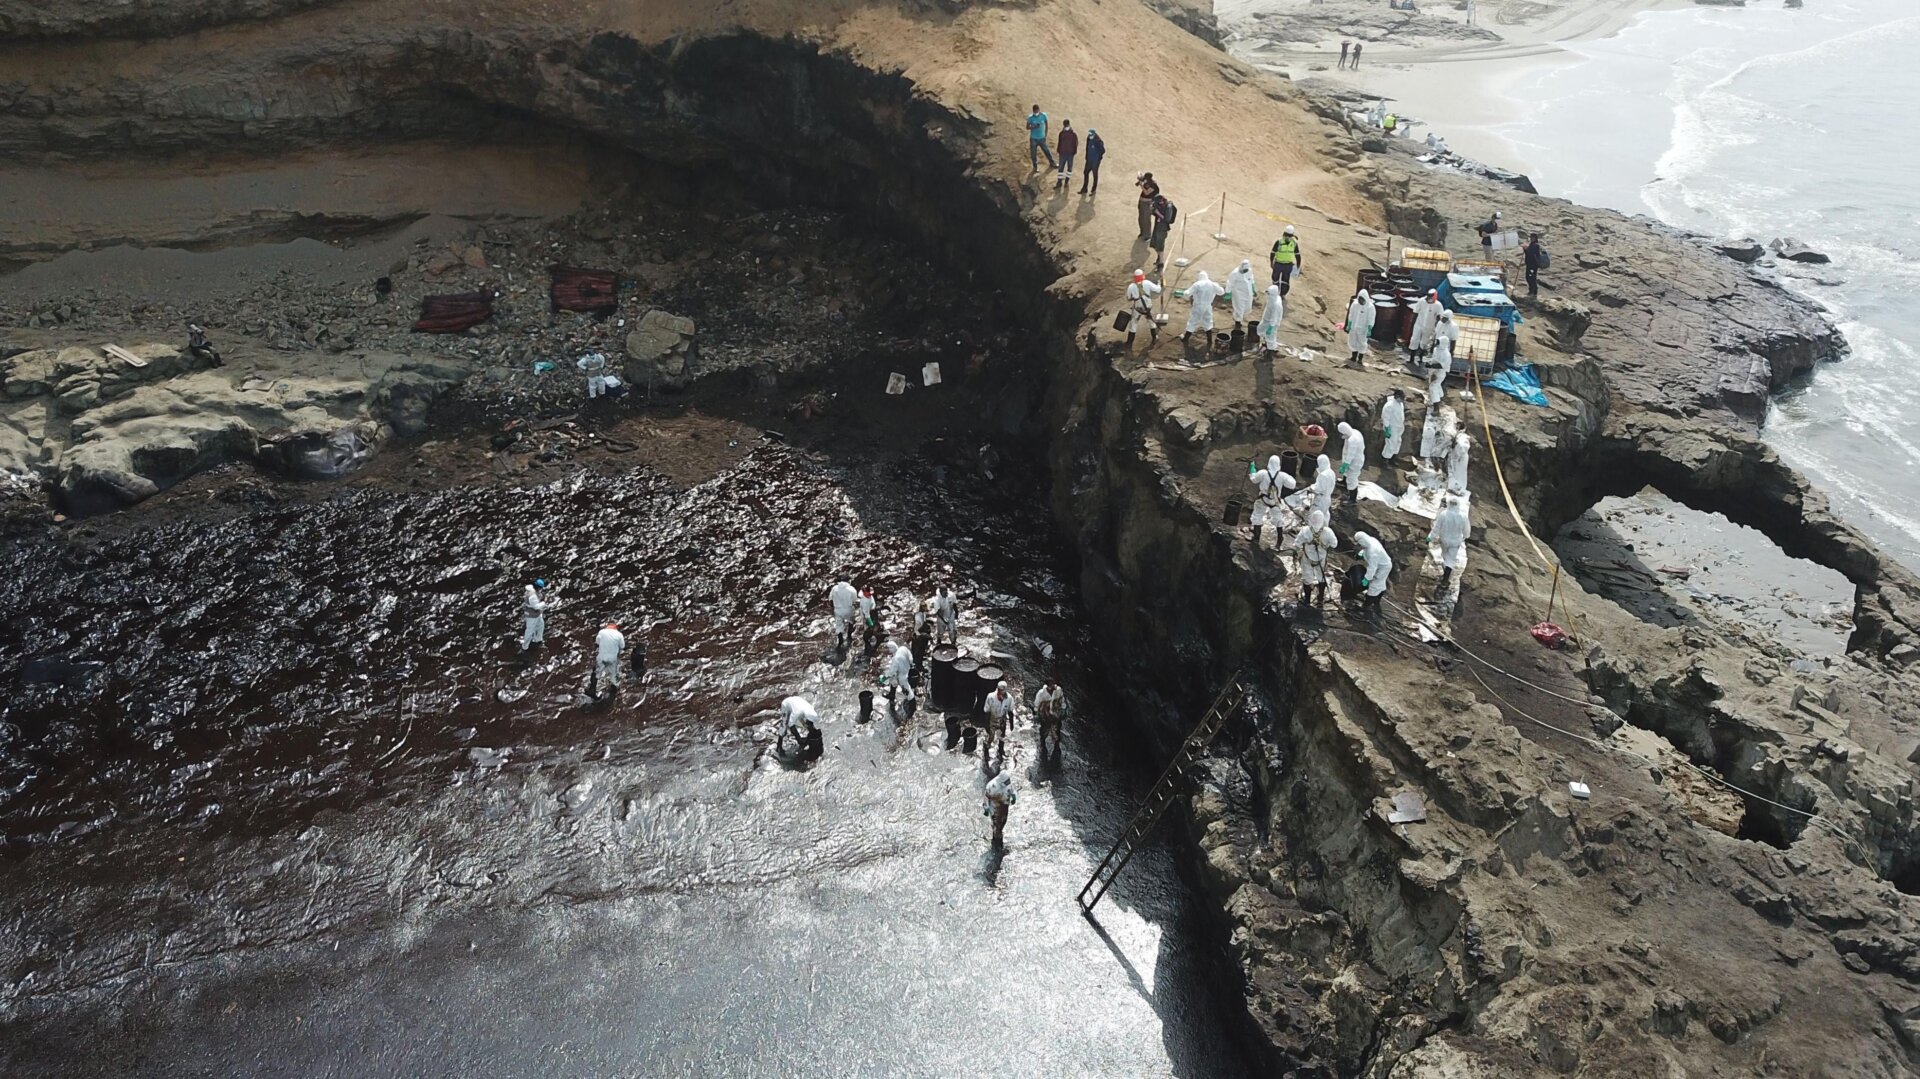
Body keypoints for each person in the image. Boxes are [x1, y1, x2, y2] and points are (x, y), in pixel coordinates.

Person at [1291, 509, 1338, 608]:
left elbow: (1297, 544)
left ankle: (1307, 600)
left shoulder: (1305, 530)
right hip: (1321, 559)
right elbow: (1334, 545)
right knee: (1321, 578)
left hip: (1308, 559)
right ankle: (1320, 599)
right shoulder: (1328, 532)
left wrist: (1300, 549)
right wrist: (1325, 544)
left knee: (1307, 579)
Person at [1250, 453, 1296, 546]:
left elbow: (1254, 479)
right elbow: (1292, 485)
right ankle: (1280, 538)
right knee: (1278, 518)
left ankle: (1256, 538)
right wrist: (1288, 477)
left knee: (1257, 516)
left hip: (1263, 499)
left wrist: (1252, 468)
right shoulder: (1282, 475)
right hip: (1275, 500)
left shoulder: (1263, 473)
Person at [1430, 494, 1470, 595]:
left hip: (1444, 539)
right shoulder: (1463, 516)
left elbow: (1437, 527)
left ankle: (1445, 576)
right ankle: (1446, 578)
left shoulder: (1444, 514)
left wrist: (1430, 537)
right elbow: (1466, 530)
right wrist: (1466, 536)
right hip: (1456, 541)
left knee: (1445, 555)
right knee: (1451, 559)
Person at [1351, 532, 1393, 618]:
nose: (1358, 545)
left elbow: (1372, 568)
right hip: (1382, 563)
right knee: (1380, 583)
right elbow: (1365, 549)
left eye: (1359, 544)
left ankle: (1367, 605)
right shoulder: (1371, 541)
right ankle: (1377, 600)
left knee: (1375, 585)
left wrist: (1366, 579)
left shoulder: (1373, 552)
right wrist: (1361, 554)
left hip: (1383, 567)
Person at [1180, 270, 1225, 343]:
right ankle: (1209, 341)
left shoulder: (1197, 284)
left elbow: (1187, 293)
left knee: (1193, 322)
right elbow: (1221, 292)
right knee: (1208, 322)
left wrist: (1184, 292)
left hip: (1198, 306)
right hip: (1208, 306)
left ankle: (1185, 339)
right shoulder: (1213, 284)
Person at [981, 681, 1017, 767]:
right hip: (992, 720)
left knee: (1002, 736)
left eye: (1003, 691)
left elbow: (1010, 711)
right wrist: (986, 725)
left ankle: (1001, 750)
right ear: (997, 689)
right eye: (1000, 690)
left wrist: (1011, 723)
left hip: (1002, 720)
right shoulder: (990, 697)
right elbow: (986, 711)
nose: (1002, 692)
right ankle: (986, 751)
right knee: (990, 737)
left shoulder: (1009, 698)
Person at [777, 695, 824, 762]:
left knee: (805, 725)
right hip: (787, 704)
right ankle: (779, 747)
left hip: (798, 702)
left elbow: (809, 724)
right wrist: (798, 738)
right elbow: (791, 725)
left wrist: (812, 732)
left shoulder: (810, 710)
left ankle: (802, 741)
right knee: (785, 724)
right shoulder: (797, 712)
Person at [1125, 268, 1162, 347]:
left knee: (1133, 325)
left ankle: (1129, 343)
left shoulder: (1131, 286)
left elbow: (1128, 298)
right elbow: (1158, 290)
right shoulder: (1147, 283)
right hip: (1148, 307)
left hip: (1137, 308)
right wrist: (1159, 283)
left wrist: (1135, 297)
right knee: (1151, 323)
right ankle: (1154, 337)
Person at [1033, 680, 1066, 759]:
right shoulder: (1041, 693)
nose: (1054, 686)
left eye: (1054, 684)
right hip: (1045, 715)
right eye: (1051, 685)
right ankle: (1043, 742)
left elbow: (1062, 699)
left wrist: (1063, 708)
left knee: (1057, 729)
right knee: (1044, 729)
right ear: (1048, 685)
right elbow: (1037, 703)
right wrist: (1036, 712)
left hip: (1055, 714)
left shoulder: (1058, 690)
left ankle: (1056, 744)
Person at [983, 769, 1016, 848]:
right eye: (1006, 782)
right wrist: (986, 808)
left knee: (1003, 821)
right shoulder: (991, 786)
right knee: (996, 824)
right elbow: (986, 798)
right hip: (995, 808)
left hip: (1005, 805)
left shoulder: (1007, 783)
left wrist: (1014, 796)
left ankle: (998, 833)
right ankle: (996, 840)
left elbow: (1011, 789)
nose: (1008, 783)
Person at [593, 621, 626, 697]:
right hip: (612, 659)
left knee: (596, 674)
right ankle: (614, 691)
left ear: (607, 626)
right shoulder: (619, 634)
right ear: (615, 627)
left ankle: (592, 689)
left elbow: (597, 642)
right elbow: (622, 646)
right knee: (613, 675)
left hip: (601, 657)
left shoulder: (602, 632)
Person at [1344, 289, 1375, 367]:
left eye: (1362, 300)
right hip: (1354, 328)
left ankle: (1360, 359)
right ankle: (1354, 357)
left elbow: (1371, 319)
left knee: (1362, 343)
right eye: (1360, 299)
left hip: (1363, 330)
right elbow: (1351, 315)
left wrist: (1369, 329)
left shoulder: (1370, 307)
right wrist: (1349, 325)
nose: (1361, 302)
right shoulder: (1355, 304)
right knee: (1352, 341)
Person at [1408, 290, 1442, 359]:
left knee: (1424, 342)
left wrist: (1437, 328)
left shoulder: (1438, 305)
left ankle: (1420, 358)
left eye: (1431, 298)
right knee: (1414, 340)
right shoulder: (1421, 301)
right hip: (1418, 324)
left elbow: (1439, 317)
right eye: (1429, 297)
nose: (1429, 299)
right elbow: (1415, 312)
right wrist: (1412, 324)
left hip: (1429, 327)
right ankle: (1411, 358)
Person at [884, 641, 915, 715]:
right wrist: (910, 664)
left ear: (892, 648)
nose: (889, 651)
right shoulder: (903, 648)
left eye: (889, 649)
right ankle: (892, 695)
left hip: (902, 676)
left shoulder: (896, 659)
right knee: (893, 682)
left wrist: (885, 676)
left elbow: (892, 671)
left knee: (907, 690)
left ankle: (912, 705)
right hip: (907, 670)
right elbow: (910, 658)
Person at [1269, 225, 1303, 293]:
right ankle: (1275, 292)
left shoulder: (1294, 243)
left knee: (1285, 281)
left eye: (1289, 236)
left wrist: (1298, 266)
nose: (1287, 237)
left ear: (1292, 236)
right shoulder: (1279, 242)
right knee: (1275, 279)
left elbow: (1297, 255)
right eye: (1286, 235)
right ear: (1284, 234)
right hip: (1278, 263)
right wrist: (1271, 262)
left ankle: (1282, 294)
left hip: (1288, 265)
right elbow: (1272, 253)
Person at [1226, 259, 1257, 333]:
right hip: (1238, 294)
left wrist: (1253, 288)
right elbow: (1230, 283)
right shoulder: (1234, 273)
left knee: (1247, 307)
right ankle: (1238, 322)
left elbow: (1251, 279)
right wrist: (1228, 292)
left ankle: (1240, 318)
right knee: (1239, 308)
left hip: (1248, 293)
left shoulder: (1249, 271)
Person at [1336, 421, 1366, 499]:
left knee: (1352, 479)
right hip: (1350, 460)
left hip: (1355, 462)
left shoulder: (1353, 440)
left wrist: (1345, 465)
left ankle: (1352, 499)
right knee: (1347, 473)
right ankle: (1344, 483)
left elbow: (1351, 455)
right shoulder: (1354, 432)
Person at [1303, 453, 1337, 520]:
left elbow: (1318, 489)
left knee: (1315, 516)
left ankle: (1314, 529)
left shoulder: (1323, 475)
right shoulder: (1331, 472)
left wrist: (1311, 488)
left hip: (1320, 500)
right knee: (1324, 515)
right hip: (1327, 498)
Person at [829, 580, 859, 649]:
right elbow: (855, 600)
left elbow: (830, 599)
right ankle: (849, 636)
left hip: (838, 610)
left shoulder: (834, 588)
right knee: (851, 622)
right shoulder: (851, 589)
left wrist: (833, 607)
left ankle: (840, 639)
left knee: (839, 625)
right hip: (848, 609)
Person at [520, 579, 548, 652]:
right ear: (538, 587)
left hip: (537, 614)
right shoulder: (532, 596)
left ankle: (538, 639)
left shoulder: (531, 590)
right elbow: (536, 606)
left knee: (540, 625)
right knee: (530, 630)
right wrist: (544, 603)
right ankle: (525, 646)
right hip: (531, 615)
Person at [1026, 104, 1055, 173]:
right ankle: (1035, 167)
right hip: (1033, 138)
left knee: (1046, 151)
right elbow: (1027, 127)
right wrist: (1033, 127)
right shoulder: (1030, 118)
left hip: (1042, 137)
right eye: (1035, 111)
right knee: (1033, 153)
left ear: (1039, 110)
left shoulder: (1043, 115)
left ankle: (1052, 162)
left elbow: (1046, 124)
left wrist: (1045, 135)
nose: (1036, 113)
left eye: (1037, 111)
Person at [1149, 194, 1176, 266]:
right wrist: (1152, 211)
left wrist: (1157, 212)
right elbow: (1153, 212)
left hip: (1163, 228)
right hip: (1157, 226)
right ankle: (1159, 258)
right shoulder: (1159, 205)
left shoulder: (1168, 207)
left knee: (1160, 245)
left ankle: (1161, 262)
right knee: (1154, 244)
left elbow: (1167, 219)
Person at [1257, 284, 1285, 353]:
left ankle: (1270, 351)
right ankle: (1267, 343)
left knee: (1270, 336)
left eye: (1270, 294)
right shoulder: (1274, 298)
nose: (1268, 296)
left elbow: (1274, 317)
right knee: (1261, 330)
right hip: (1267, 319)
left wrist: (1271, 327)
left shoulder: (1276, 305)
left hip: (1272, 323)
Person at [1380, 390, 1406, 461]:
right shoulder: (1389, 405)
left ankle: (1393, 458)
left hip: (1399, 427)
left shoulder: (1400, 404)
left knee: (1398, 442)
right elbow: (1385, 417)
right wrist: (1387, 428)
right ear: (1397, 396)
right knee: (1390, 444)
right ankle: (1385, 460)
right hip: (1392, 427)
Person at [1135, 172, 1161, 240]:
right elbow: (1137, 183)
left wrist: (1141, 185)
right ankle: (1142, 232)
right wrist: (1139, 181)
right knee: (1141, 218)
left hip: (1147, 204)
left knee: (1146, 219)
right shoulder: (1146, 181)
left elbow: (1146, 193)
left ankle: (1148, 236)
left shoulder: (1153, 185)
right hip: (1141, 203)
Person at [1054, 120, 1078, 190]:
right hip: (1065, 153)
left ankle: (1064, 182)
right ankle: (1061, 182)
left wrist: (1073, 152)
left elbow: (1075, 144)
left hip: (1067, 154)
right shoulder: (1070, 134)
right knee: (1064, 168)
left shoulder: (1070, 134)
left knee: (1066, 168)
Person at [1081, 129, 1105, 196]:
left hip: (1095, 161)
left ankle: (1093, 190)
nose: (1089, 136)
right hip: (1089, 160)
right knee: (1085, 172)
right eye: (1089, 135)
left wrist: (1097, 157)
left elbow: (1103, 150)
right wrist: (1087, 157)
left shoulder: (1098, 141)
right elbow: (1087, 148)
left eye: (1091, 135)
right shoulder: (1088, 139)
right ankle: (1084, 188)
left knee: (1095, 175)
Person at [858, 587, 882, 652]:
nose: (870, 594)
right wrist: (870, 623)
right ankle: (872, 642)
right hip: (869, 616)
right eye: (868, 593)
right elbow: (867, 615)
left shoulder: (869, 596)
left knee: (875, 627)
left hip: (873, 612)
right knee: (869, 631)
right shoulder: (864, 602)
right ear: (864, 592)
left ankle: (876, 636)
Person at [1523, 233, 1546, 298]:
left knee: (1531, 278)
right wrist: (1525, 250)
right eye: (1531, 237)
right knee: (1528, 277)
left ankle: (1533, 292)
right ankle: (1531, 290)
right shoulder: (1531, 245)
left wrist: (1526, 249)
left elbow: (1531, 253)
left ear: (1535, 238)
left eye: (1532, 237)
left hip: (1533, 265)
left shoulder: (1536, 245)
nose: (1531, 239)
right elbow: (1528, 254)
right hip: (1529, 264)